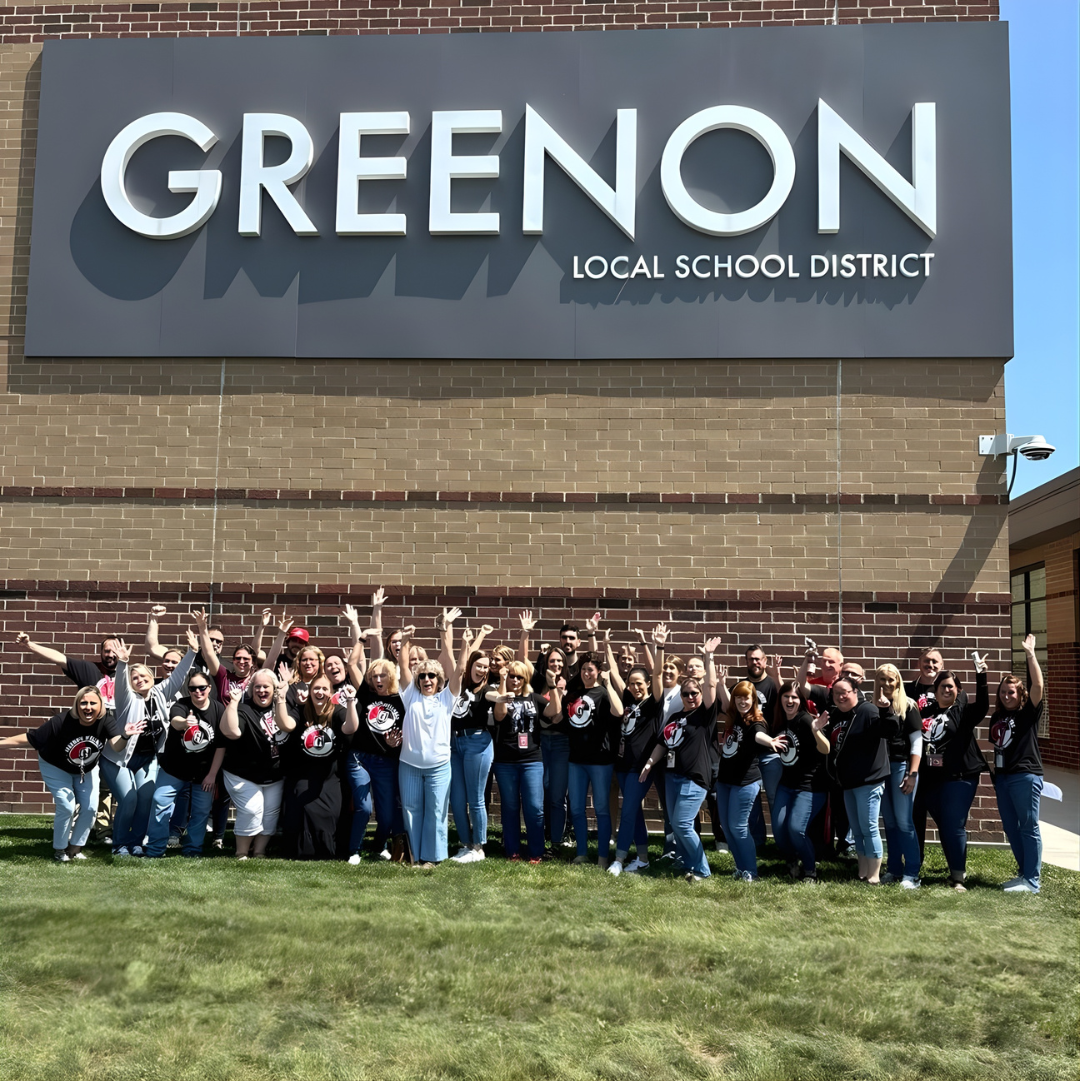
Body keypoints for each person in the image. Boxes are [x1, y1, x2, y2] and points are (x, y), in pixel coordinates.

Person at [0, 687, 140, 861]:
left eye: (92, 703)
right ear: (76, 704)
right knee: (67, 806)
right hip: (55, 766)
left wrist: (125, 736)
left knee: (90, 808)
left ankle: (75, 847)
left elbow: (116, 746)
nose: (87, 707)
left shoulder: (105, 720)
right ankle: (60, 850)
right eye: (83, 703)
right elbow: (30, 738)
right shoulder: (60, 721)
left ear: (100, 705)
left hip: (85, 769)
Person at [108, 631, 198, 856]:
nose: (139, 679)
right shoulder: (127, 698)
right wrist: (123, 664)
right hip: (118, 759)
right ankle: (119, 845)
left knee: (146, 799)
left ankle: (136, 842)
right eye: (134, 677)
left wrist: (192, 652)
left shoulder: (160, 693)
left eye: (142, 675)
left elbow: (178, 677)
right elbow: (121, 683)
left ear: (151, 675)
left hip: (148, 758)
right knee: (129, 799)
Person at [638, 645, 719, 883]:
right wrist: (650, 763)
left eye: (695, 693)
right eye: (687, 694)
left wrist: (708, 656)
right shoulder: (675, 717)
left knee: (683, 824)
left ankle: (702, 870)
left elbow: (711, 686)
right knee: (674, 822)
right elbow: (663, 743)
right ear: (681, 697)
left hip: (694, 777)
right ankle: (687, 861)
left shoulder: (704, 715)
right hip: (672, 776)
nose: (691, 697)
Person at [913, 659, 989, 891]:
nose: (947, 689)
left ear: (958, 691)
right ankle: (918, 869)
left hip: (960, 776)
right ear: (935, 691)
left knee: (954, 824)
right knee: (944, 824)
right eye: (942, 686)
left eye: (951, 686)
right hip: (933, 777)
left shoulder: (964, 711)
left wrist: (981, 676)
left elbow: (983, 705)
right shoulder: (927, 711)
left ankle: (958, 877)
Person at [397, 610, 462, 866]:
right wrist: (404, 641)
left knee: (436, 813)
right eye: (422, 676)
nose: (426, 679)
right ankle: (414, 857)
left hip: (438, 767)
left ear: (439, 680)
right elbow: (403, 665)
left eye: (432, 676)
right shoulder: (409, 695)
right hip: (409, 766)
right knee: (411, 811)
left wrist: (456, 638)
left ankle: (431, 858)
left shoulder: (447, 698)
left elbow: (458, 671)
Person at [549, 651, 623, 868]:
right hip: (576, 760)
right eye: (583, 670)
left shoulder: (603, 692)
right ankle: (581, 854)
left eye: (590, 669)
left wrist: (608, 684)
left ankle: (602, 857)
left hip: (600, 760)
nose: (586, 673)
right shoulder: (573, 694)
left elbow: (618, 712)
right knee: (577, 809)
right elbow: (557, 718)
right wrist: (558, 692)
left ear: (598, 672)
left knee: (601, 808)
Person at [823, 677, 900, 884]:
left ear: (855, 691)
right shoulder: (837, 714)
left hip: (869, 780)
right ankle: (863, 870)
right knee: (856, 830)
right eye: (836, 693)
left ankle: (874, 875)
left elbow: (889, 731)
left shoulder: (868, 711)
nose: (840, 697)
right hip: (848, 782)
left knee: (869, 827)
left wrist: (886, 710)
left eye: (845, 692)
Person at [277, 674, 360, 860]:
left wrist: (351, 701)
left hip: (330, 776)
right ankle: (303, 851)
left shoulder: (337, 711)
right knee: (301, 805)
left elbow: (350, 728)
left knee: (330, 811)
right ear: (310, 691)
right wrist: (281, 698)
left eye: (324, 689)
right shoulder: (302, 710)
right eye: (316, 688)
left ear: (331, 693)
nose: (320, 692)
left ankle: (329, 851)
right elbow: (285, 724)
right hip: (303, 773)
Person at [144, 670, 225, 858]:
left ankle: (192, 849)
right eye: (193, 688)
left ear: (209, 688)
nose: (197, 692)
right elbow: (175, 721)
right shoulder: (182, 705)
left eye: (201, 688)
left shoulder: (218, 709)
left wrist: (212, 774)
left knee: (201, 811)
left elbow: (221, 746)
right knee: (160, 802)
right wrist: (185, 723)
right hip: (174, 768)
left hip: (203, 772)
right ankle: (156, 849)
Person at [715, 680, 787, 881]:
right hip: (725, 781)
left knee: (738, 827)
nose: (741, 701)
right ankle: (741, 868)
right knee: (728, 828)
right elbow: (726, 700)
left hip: (745, 782)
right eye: (738, 697)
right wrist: (721, 684)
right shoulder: (734, 717)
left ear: (753, 699)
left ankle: (751, 872)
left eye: (745, 697)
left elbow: (758, 735)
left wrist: (770, 741)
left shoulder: (756, 721)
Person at [990, 634, 1046, 894]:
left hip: (1025, 776)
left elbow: (1038, 686)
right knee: (1011, 827)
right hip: (1003, 778)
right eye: (1002, 692)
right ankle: (1024, 874)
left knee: (1028, 825)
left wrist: (1031, 654)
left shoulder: (1027, 714)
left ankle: (1032, 881)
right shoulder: (997, 716)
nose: (1006, 695)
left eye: (1010, 691)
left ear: (1019, 693)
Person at [219, 670, 288, 858]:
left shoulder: (282, 707)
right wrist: (233, 703)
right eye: (257, 686)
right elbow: (231, 731)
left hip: (274, 775)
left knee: (270, 813)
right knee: (252, 810)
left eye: (266, 686)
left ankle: (259, 851)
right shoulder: (244, 709)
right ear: (251, 690)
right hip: (242, 773)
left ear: (274, 689)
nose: (262, 690)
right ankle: (241, 852)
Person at [346, 656, 406, 863]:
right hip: (359, 758)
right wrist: (361, 638)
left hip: (386, 760)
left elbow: (405, 734)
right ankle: (354, 850)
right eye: (374, 676)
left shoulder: (401, 700)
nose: (378, 679)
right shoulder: (365, 694)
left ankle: (379, 846)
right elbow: (352, 664)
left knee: (387, 815)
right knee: (363, 808)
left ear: (391, 677)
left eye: (383, 675)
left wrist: (394, 744)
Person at [770, 681, 830, 882]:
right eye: (786, 696)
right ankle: (792, 861)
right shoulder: (779, 722)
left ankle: (810, 870)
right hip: (786, 785)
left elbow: (826, 749)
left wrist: (816, 731)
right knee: (779, 829)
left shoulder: (805, 720)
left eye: (794, 697)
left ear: (801, 701)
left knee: (796, 829)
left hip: (810, 786)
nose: (790, 700)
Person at [491, 660, 548, 862]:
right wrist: (502, 681)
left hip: (532, 760)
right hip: (505, 761)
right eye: (512, 676)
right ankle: (512, 851)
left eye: (519, 677)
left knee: (534, 808)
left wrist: (557, 690)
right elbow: (499, 716)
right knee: (510, 806)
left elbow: (555, 714)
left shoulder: (534, 698)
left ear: (526, 679)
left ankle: (536, 851)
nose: (515, 680)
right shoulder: (502, 696)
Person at [449, 624, 496, 863]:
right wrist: (473, 639)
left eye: (486, 667)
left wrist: (505, 696)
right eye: (479, 666)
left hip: (478, 743)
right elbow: (467, 660)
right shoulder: (463, 683)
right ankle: (465, 844)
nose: (482, 669)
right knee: (456, 799)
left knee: (475, 798)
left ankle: (479, 847)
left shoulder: (487, 690)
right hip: (454, 745)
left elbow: (495, 697)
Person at [875, 664, 923, 887]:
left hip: (901, 768)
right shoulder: (871, 705)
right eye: (882, 679)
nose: (886, 684)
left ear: (898, 681)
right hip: (879, 771)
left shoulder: (909, 705)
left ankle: (912, 873)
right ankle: (894, 869)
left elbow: (917, 743)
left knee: (904, 822)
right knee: (890, 823)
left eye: (890, 679)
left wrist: (912, 774)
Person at [15, 630, 121, 708]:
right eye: (107, 651)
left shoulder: (130, 676)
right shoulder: (89, 669)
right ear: (101, 652)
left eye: (114, 651)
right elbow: (59, 658)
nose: (110, 655)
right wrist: (28, 644)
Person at [535, 644, 571, 852]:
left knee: (557, 795)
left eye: (559, 661)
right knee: (540, 792)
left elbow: (557, 717)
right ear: (546, 663)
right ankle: (538, 838)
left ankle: (556, 841)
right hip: (539, 742)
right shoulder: (538, 683)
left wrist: (558, 691)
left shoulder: (571, 685)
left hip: (560, 743)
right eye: (552, 661)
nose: (556, 664)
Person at [907, 648, 945, 718]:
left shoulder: (948, 690)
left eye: (934, 661)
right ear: (919, 664)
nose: (930, 665)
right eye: (926, 661)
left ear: (942, 665)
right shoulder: (907, 690)